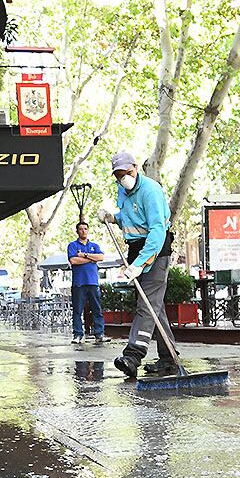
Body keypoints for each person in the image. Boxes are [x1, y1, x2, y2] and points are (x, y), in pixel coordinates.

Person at [98, 151, 178, 378]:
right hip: (135, 250)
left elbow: (156, 231)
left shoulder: (151, 191)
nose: (124, 178)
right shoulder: (122, 190)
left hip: (156, 250)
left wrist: (141, 263)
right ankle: (169, 359)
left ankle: (133, 355)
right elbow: (132, 219)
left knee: (147, 305)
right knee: (155, 307)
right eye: (120, 175)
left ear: (136, 167)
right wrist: (114, 218)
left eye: (128, 172)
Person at [67, 222, 108, 344]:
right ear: (77, 231)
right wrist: (91, 259)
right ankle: (78, 334)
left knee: (97, 309)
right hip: (79, 283)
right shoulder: (72, 245)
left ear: (88, 230)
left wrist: (84, 255)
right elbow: (73, 260)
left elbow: (101, 257)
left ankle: (99, 334)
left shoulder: (94, 245)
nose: (83, 231)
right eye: (81, 229)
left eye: (85, 229)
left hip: (93, 282)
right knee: (77, 310)